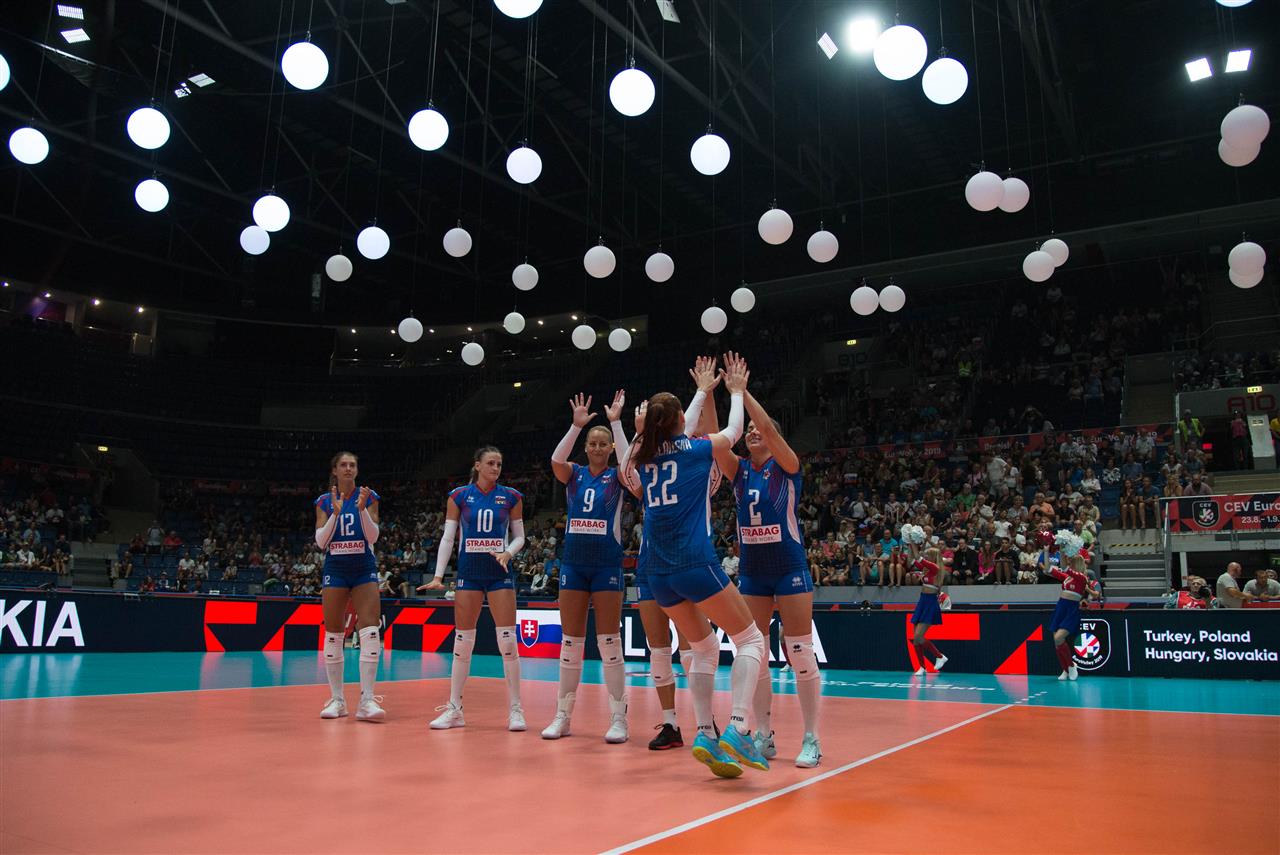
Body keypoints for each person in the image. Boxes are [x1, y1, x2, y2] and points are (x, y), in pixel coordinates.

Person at [623, 352, 771, 779]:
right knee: (751, 640)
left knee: (703, 649)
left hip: (657, 573)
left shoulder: (643, 457)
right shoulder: (694, 450)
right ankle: (739, 727)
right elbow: (734, 432)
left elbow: (676, 430)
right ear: (676, 421)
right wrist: (733, 392)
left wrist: (700, 393)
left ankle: (705, 732)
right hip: (693, 561)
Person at [712, 385, 823, 769]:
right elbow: (715, 440)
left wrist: (743, 393)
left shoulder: (787, 465)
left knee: (800, 651)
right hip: (754, 572)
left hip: (789, 567)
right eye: (749, 430)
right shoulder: (739, 470)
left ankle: (811, 738)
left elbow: (770, 431)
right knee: (755, 652)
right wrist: (710, 395)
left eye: (759, 429)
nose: (753, 432)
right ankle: (764, 734)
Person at [621, 360, 721, 751]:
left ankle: (705, 722)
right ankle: (671, 724)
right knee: (659, 648)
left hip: (687, 559)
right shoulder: (650, 465)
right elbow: (628, 474)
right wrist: (639, 433)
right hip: (652, 563)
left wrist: (704, 394)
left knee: (694, 646)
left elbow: (708, 439)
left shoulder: (700, 465)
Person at [540, 390, 633, 743]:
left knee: (609, 642)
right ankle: (562, 716)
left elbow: (630, 466)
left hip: (607, 564)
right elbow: (555, 459)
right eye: (592, 443)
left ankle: (618, 718)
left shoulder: (618, 476)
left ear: (610, 448)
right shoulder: (574, 474)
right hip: (574, 565)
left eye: (602, 444)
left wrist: (616, 424)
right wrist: (576, 426)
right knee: (570, 642)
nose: (596, 447)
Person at [420, 447, 527, 731]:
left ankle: (516, 710)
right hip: (469, 573)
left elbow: (520, 537)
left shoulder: (511, 496)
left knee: (508, 642)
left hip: (499, 574)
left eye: (499, 464)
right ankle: (455, 709)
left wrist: (508, 553)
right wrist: (438, 575)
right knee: (463, 642)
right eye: (490, 463)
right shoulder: (459, 496)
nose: (496, 468)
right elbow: (448, 537)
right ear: (477, 465)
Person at [313, 451, 385, 722]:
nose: (348, 468)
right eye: (343, 465)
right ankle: (337, 700)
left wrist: (362, 509)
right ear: (334, 470)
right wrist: (335, 513)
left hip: (363, 567)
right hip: (336, 569)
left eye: (352, 465)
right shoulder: (324, 501)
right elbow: (321, 542)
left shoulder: (369, 496)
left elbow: (373, 536)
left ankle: (367, 700)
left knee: (370, 629)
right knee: (333, 633)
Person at [1047, 554, 1093, 681]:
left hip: (1071, 610)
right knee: (1056, 642)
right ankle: (1065, 669)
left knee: (1058, 638)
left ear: (1077, 563)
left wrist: (1062, 550)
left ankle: (1072, 666)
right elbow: (1047, 569)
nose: (1070, 563)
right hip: (1060, 608)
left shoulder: (1082, 578)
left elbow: (1064, 567)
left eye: (1072, 562)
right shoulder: (1067, 577)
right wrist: (1045, 551)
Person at [909, 548, 949, 676]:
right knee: (916, 639)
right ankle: (922, 667)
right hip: (922, 601)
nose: (926, 556)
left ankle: (940, 656)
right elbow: (913, 560)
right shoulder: (927, 568)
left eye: (928, 555)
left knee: (918, 636)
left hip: (930, 603)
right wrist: (909, 544)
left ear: (933, 556)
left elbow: (918, 557)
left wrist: (912, 541)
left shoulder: (935, 567)